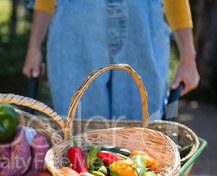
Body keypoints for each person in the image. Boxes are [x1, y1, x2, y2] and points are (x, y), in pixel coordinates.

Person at [22, 0, 200, 120]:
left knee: (144, 142)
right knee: (79, 137)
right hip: (76, 23)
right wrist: (33, 46)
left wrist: (188, 57)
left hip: (142, 21)